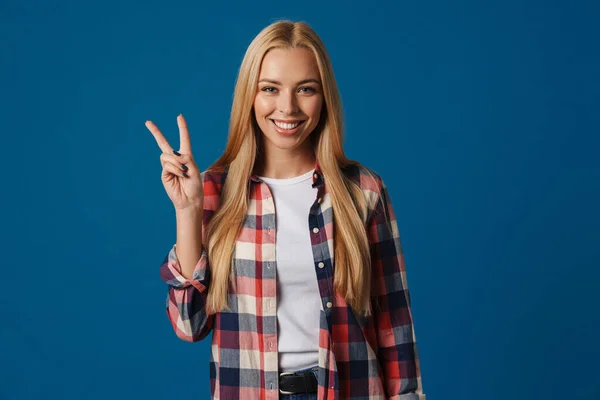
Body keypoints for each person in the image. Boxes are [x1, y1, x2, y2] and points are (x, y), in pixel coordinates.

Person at [146, 20, 425, 400]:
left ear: (324, 96)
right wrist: (188, 210)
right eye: (270, 89)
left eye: (305, 89)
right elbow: (188, 326)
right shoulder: (214, 191)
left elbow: (395, 328)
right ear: (250, 96)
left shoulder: (363, 191)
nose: (287, 107)